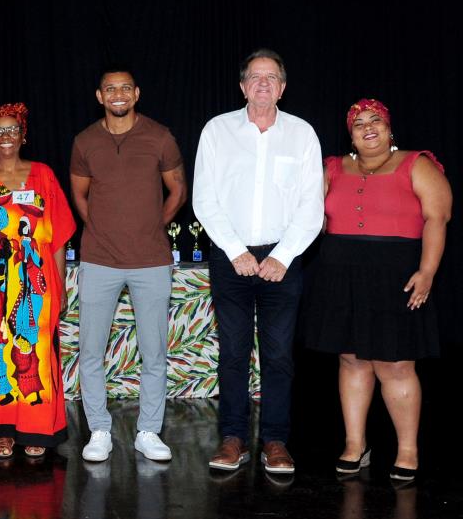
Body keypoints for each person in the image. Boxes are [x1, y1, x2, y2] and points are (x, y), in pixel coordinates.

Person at [302, 99, 451, 482]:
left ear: (389, 128)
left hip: (396, 274)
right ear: (349, 134)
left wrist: (428, 271)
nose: (368, 127)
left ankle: (407, 450)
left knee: (396, 363)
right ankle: (355, 445)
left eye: (376, 120)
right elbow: (306, 215)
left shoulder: (418, 164)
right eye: (358, 124)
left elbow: (438, 218)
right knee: (351, 359)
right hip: (340, 274)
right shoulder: (332, 167)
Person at [192, 49, 323, 474]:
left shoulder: (302, 134)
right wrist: (235, 251)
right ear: (243, 86)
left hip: (283, 259)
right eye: (255, 77)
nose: (263, 84)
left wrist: (283, 255)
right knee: (232, 352)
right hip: (231, 256)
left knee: (280, 354)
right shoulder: (217, 130)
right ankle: (232, 439)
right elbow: (204, 199)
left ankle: (275, 441)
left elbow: (311, 206)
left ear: (282, 88)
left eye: (271, 78)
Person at [70, 68, 187, 463]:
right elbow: (79, 195)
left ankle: (149, 432)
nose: (117, 94)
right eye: (109, 89)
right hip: (99, 260)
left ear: (136, 93)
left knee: (153, 352)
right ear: (100, 96)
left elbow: (178, 189)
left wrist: (156, 224)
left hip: (151, 261)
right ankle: (99, 430)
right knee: (90, 351)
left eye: (124, 88)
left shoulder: (160, 136)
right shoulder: (85, 141)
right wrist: (101, 229)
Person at [0, 103, 75, 458]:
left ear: (24, 135)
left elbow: (56, 237)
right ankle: (0, 430)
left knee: (32, 349)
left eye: (12, 130)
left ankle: (34, 428)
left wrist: (60, 282)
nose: (6, 136)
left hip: (34, 282)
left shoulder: (43, 175)